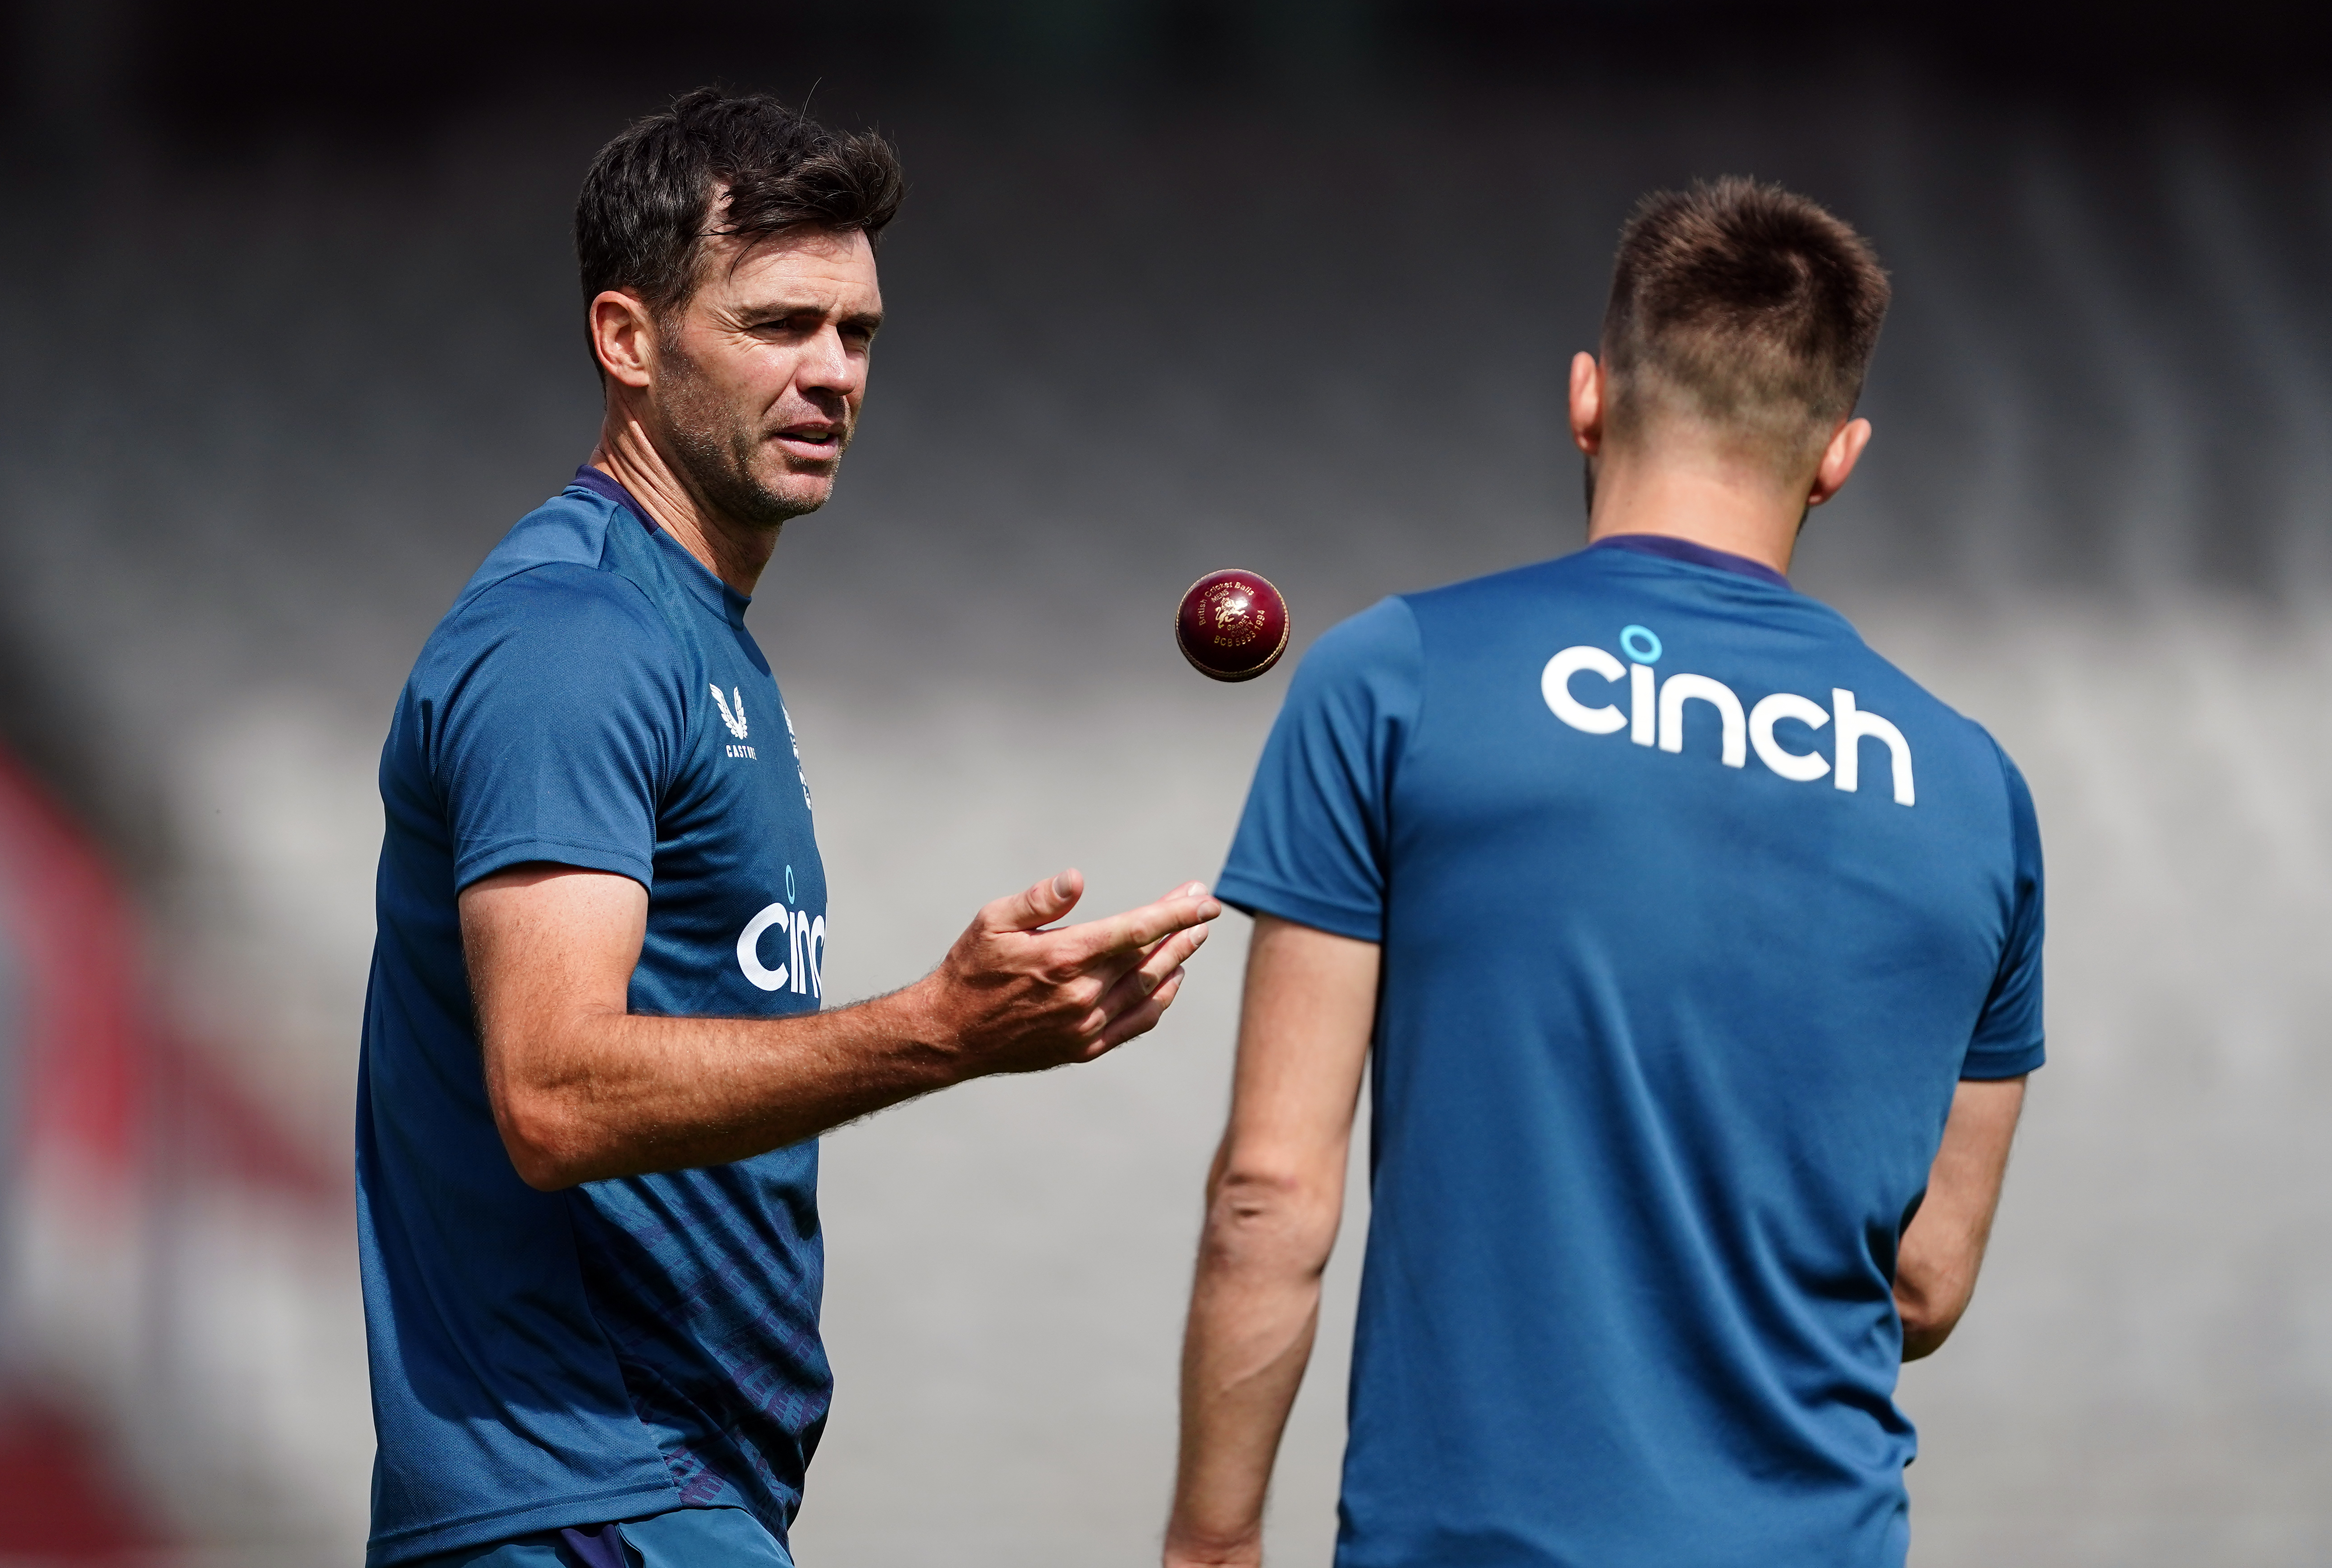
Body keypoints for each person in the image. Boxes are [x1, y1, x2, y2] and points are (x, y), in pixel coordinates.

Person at [357, 89, 1221, 1568]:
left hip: (659, 1492)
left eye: (858, 333)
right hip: (593, 1487)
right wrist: (942, 1028)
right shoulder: (575, 637)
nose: (832, 374)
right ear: (627, 339)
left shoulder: (695, 636)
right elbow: (553, 1093)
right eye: (777, 324)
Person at [1164, 178, 2041, 1567]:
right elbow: (1927, 1278)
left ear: (1587, 395)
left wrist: (1209, 1543)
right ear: (1839, 456)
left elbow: (1270, 1197)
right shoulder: (1977, 789)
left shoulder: (1399, 681)